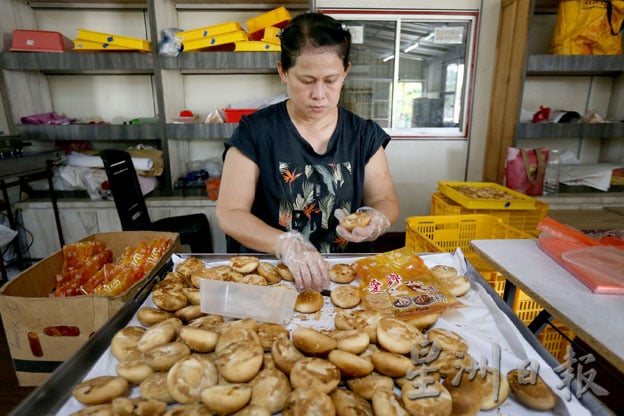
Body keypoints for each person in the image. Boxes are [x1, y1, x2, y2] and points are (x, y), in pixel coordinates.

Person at [216, 12, 400, 291]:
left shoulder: (362, 135)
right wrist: (285, 243)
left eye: (331, 80)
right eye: (306, 80)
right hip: (274, 278)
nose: (319, 94)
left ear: (345, 72)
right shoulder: (255, 132)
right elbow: (230, 212)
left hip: (346, 279)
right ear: (283, 72)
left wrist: (377, 219)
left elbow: (385, 199)